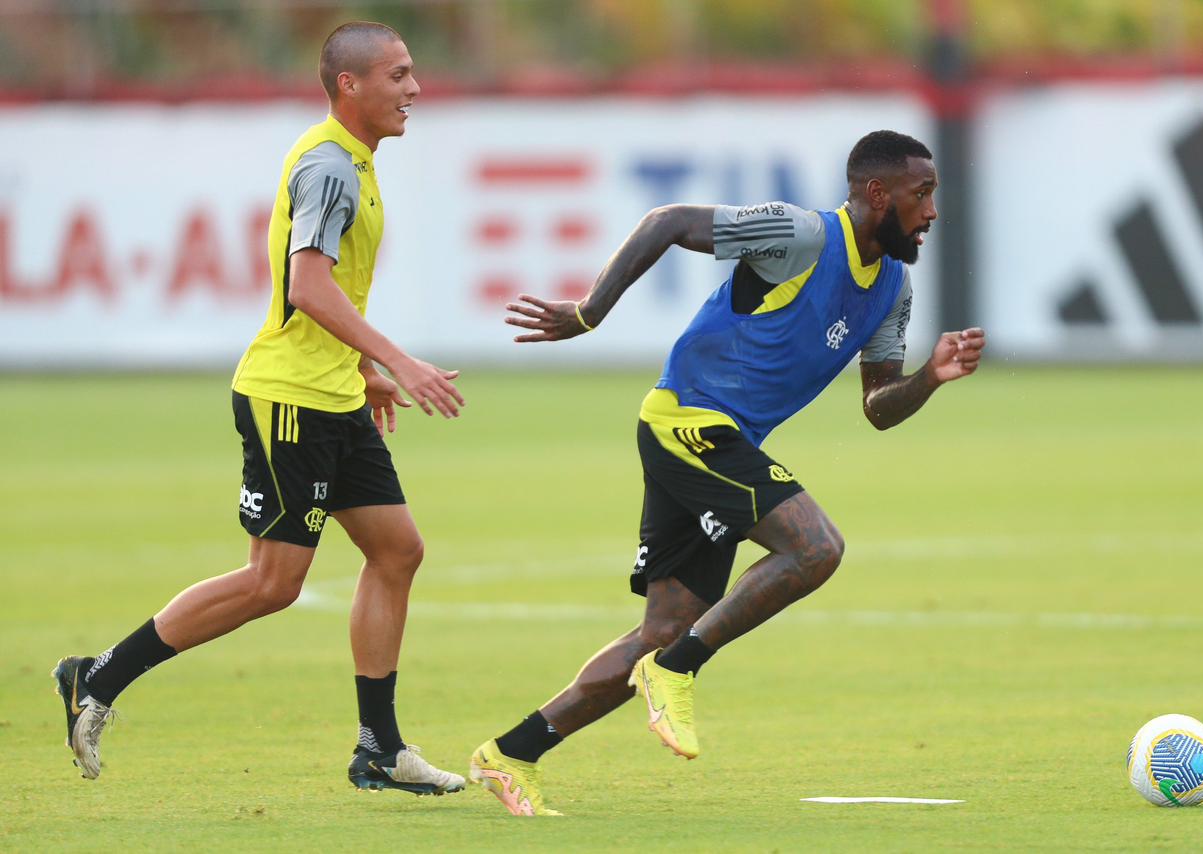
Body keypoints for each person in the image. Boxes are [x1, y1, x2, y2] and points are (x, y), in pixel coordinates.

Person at [469, 131, 986, 815]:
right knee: (815, 547)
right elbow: (668, 222)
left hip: (716, 440)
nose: (932, 212)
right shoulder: (801, 235)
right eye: (923, 195)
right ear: (876, 195)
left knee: (660, 632)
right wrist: (591, 310)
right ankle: (678, 670)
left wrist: (930, 376)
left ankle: (511, 754)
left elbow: (879, 407)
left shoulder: (893, 288)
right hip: (686, 421)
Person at [52, 21, 468, 797]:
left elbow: (317, 295)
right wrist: (397, 362)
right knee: (273, 583)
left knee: (397, 551)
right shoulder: (329, 167)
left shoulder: (355, 163)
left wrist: (361, 372)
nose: (415, 89)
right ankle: (97, 675)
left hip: (333, 395)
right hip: (289, 403)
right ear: (351, 85)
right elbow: (306, 287)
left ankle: (379, 747)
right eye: (399, 74)